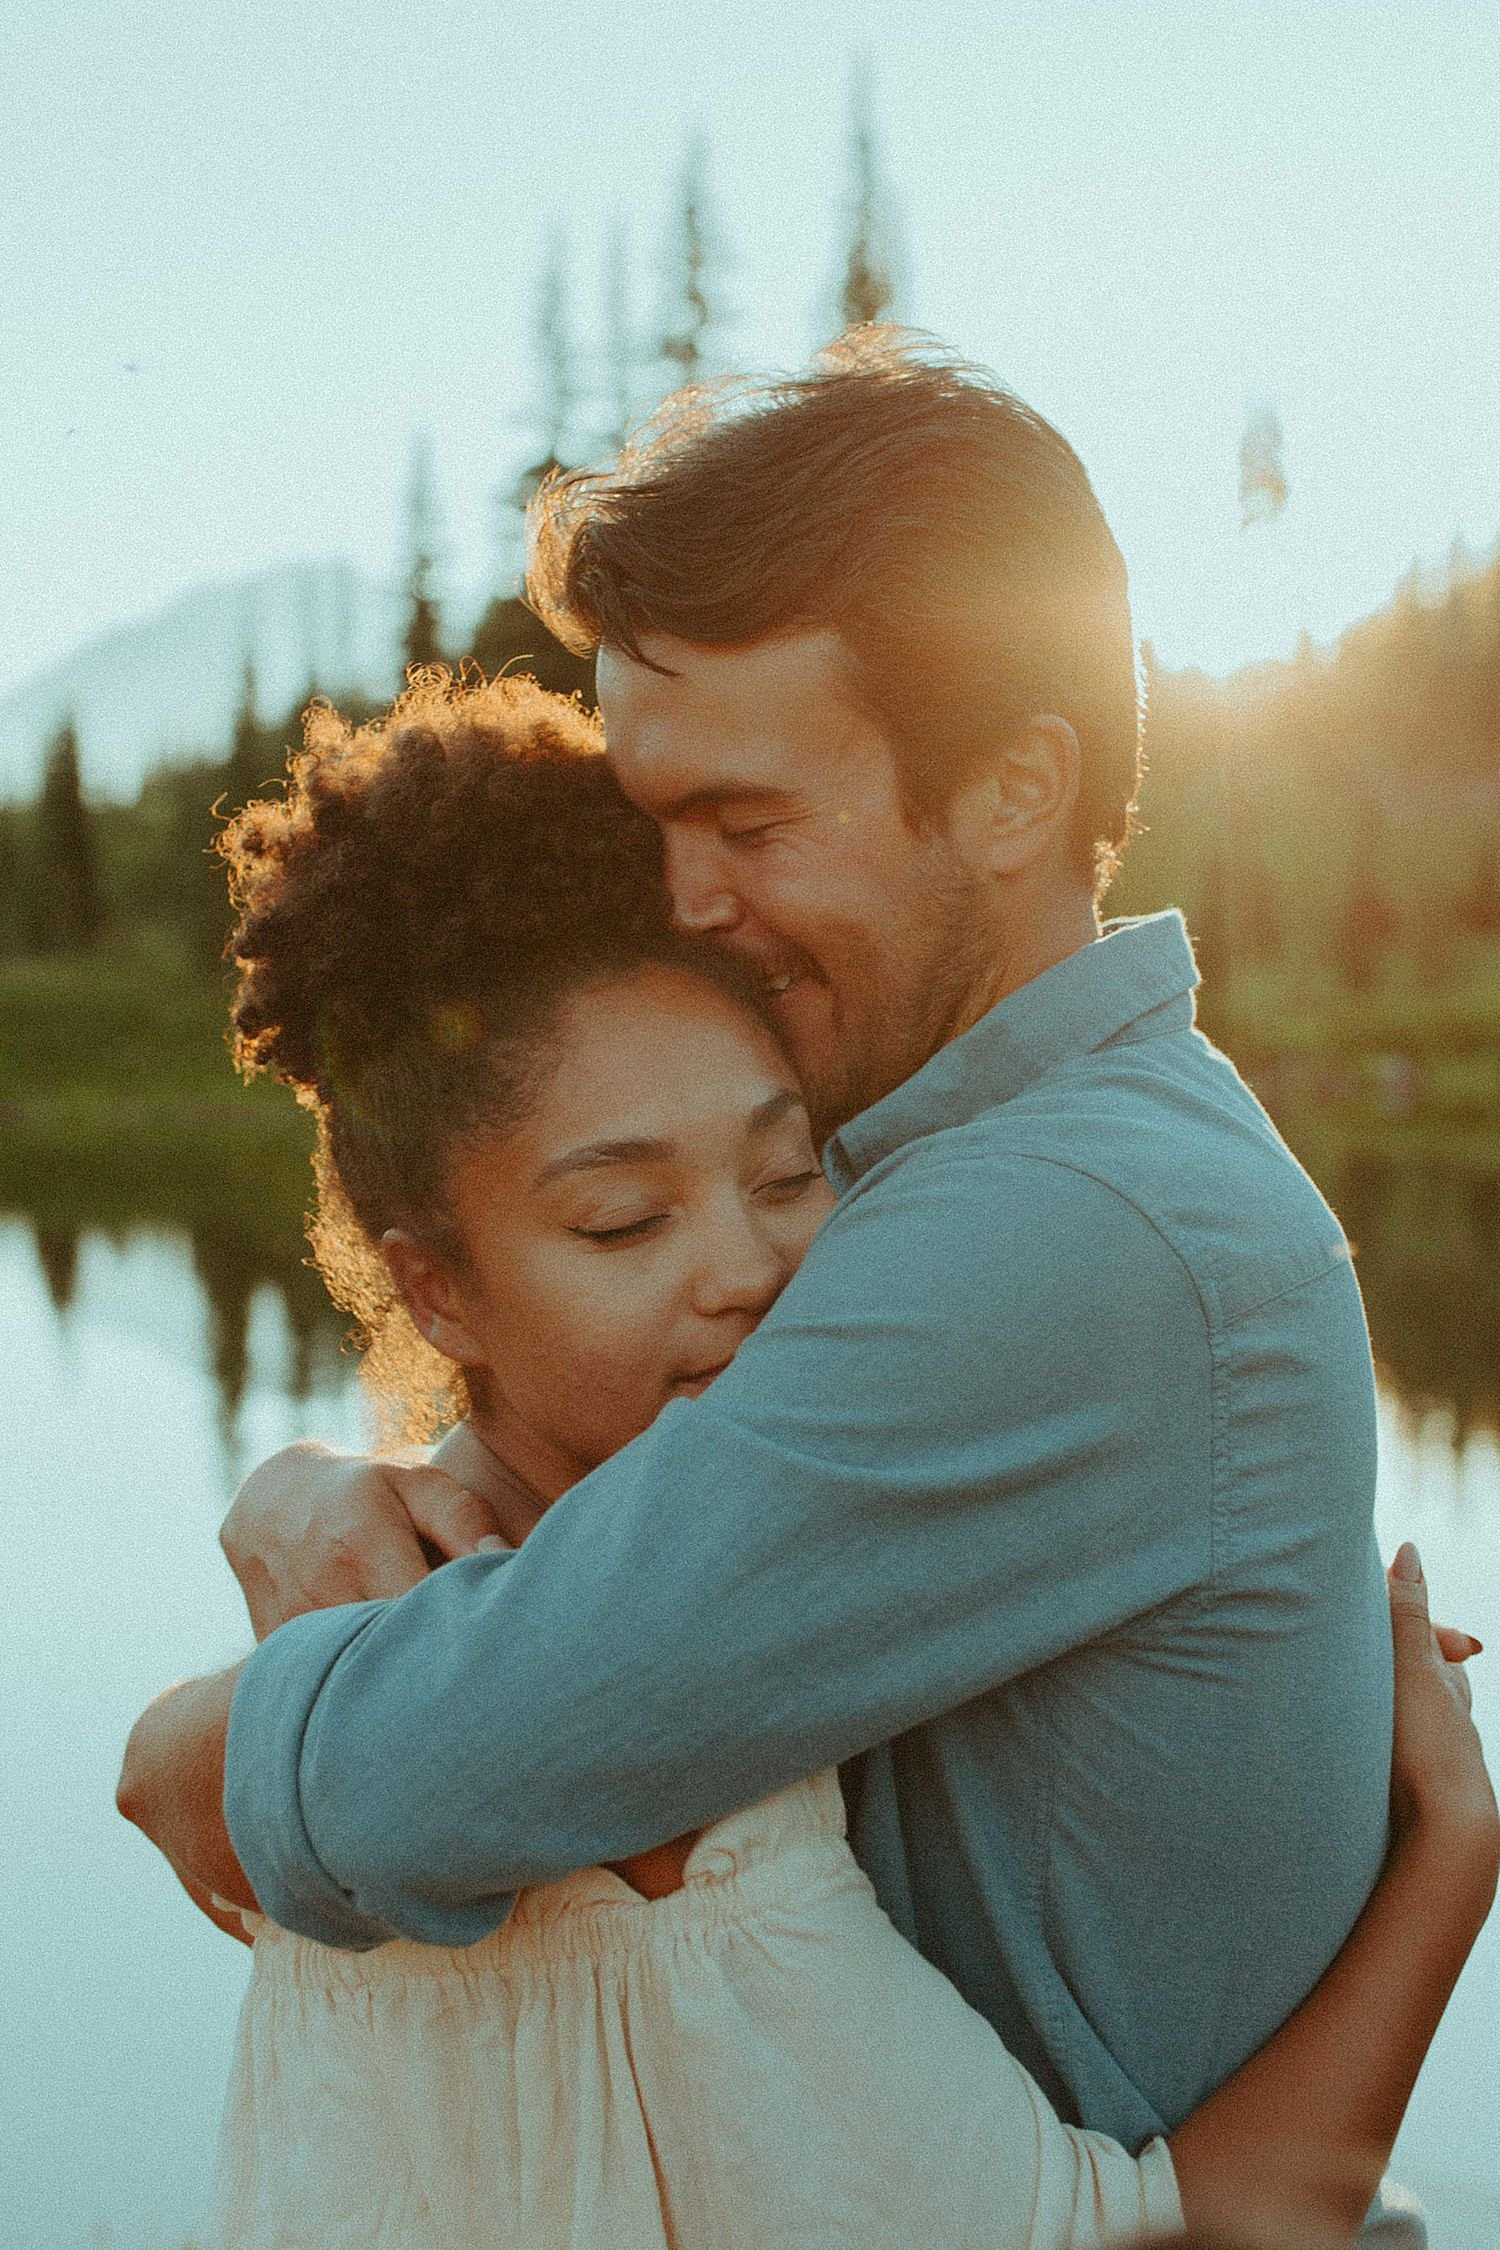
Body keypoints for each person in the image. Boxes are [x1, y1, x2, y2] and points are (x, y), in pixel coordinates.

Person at [117, 335, 1492, 2237]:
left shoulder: (1062, 1229)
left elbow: (459, 1761)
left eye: (748, 827)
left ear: (1014, 794)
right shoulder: (913, 1169)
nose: (680, 901)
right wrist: (312, 1486)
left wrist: (187, 1744)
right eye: (655, 816)